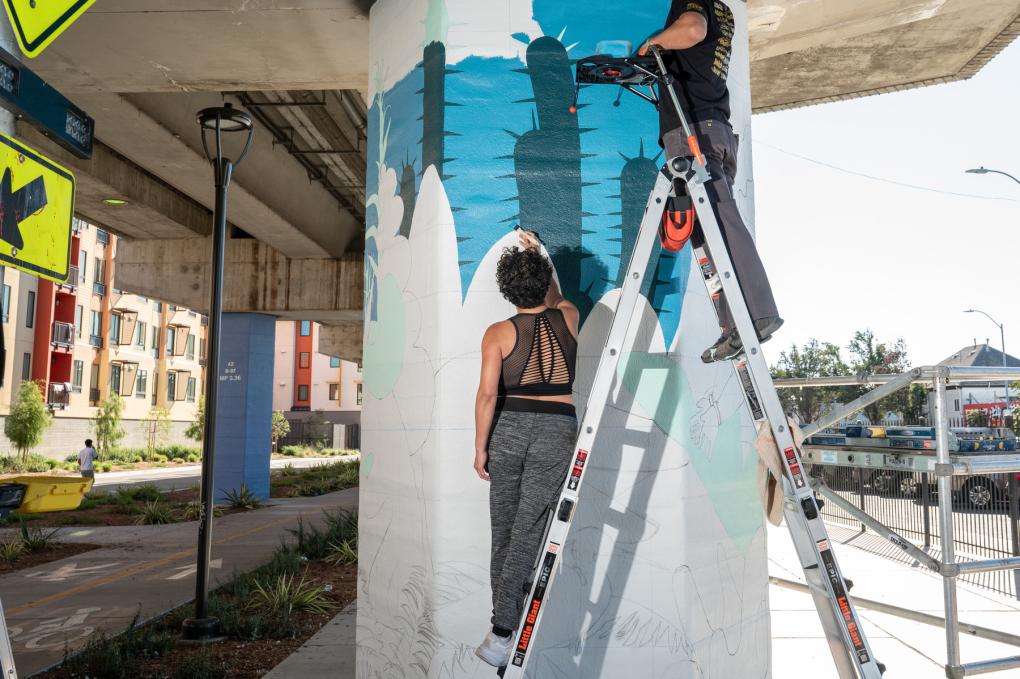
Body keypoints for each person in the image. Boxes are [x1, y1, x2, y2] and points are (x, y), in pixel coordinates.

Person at [640, 0, 783, 363]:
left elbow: (692, 31)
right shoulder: (723, 9)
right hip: (712, 129)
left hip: (694, 134)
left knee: (720, 222)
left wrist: (653, 44)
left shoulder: (693, 1)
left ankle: (757, 313)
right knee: (709, 231)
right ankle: (735, 324)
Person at [473, 230, 579, 668]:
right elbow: (554, 297)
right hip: (556, 429)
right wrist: (538, 254)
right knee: (529, 529)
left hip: (508, 430)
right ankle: (502, 628)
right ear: (541, 282)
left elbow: (486, 396)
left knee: (505, 531)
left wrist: (480, 449)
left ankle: (501, 628)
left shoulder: (497, 332)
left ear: (506, 289)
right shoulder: (569, 316)